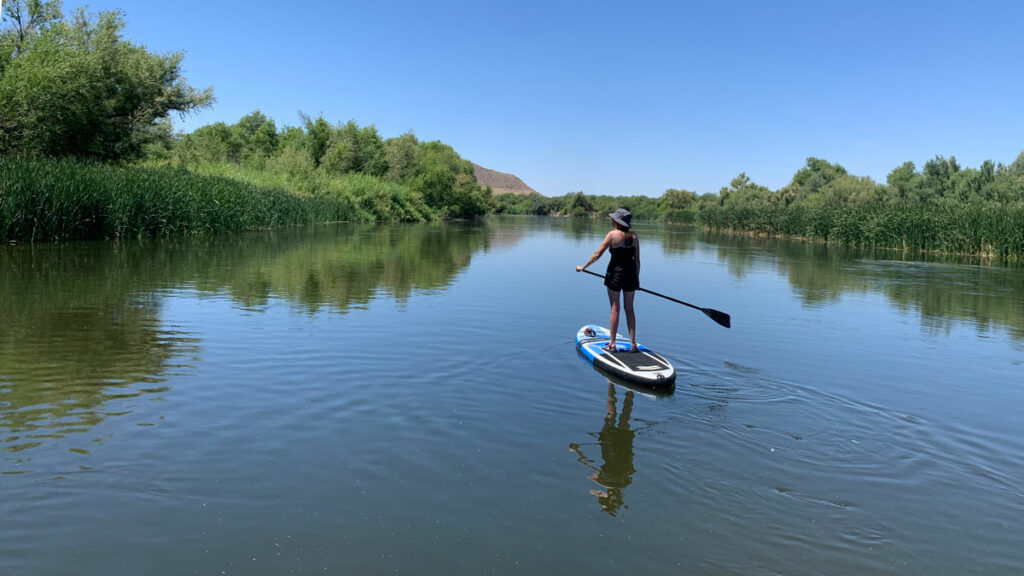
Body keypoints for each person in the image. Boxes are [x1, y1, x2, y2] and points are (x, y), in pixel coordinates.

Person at [576, 208, 640, 352]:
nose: (612, 221)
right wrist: (637, 280)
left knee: (614, 309)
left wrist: (583, 267)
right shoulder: (634, 237)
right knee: (629, 309)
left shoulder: (612, 235)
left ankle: (612, 344)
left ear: (617, 222)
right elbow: (637, 262)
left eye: (613, 219)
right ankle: (633, 344)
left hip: (615, 276)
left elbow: (598, 254)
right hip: (631, 277)